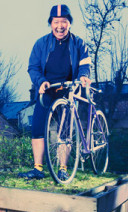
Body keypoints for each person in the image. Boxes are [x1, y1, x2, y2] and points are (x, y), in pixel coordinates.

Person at [18, 4, 91, 180]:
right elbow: (33, 67)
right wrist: (40, 81)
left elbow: (85, 65)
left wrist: (83, 77)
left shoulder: (79, 43)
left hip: (68, 91)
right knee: (37, 128)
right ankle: (38, 169)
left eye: (64, 21)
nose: (60, 26)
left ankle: (63, 169)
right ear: (51, 23)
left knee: (64, 131)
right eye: (56, 22)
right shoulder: (41, 44)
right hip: (48, 90)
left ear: (69, 23)